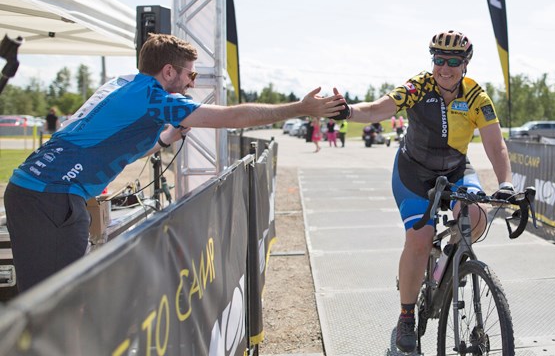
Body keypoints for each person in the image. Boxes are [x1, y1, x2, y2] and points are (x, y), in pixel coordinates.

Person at [4, 33, 346, 292]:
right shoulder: (154, 96)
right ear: (168, 71)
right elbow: (232, 117)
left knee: (47, 298)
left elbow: (118, 143)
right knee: (61, 303)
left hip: (36, 191)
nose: (191, 84)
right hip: (51, 196)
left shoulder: (125, 84)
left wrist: (166, 138)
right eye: (190, 76)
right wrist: (300, 109)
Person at [333, 30, 514, 353]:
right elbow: (377, 110)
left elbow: (494, 143)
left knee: (476, 217)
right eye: (439, 60)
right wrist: (348, 111)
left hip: (455, 168)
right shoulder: (418, 87)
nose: (445, 68)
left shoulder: (476, 97)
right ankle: (406, 314)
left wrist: (505, 184)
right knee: (419, 238)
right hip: (413, 173)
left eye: (453, 62)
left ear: (465, 64)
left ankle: (452, 261)